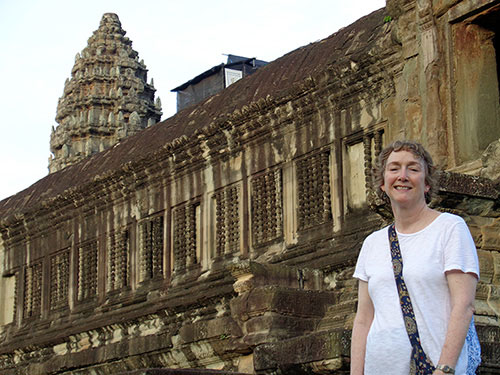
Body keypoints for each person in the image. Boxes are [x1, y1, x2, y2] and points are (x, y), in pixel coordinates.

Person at [350, 140, 480, 375]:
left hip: (434, 368)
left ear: (427, 183)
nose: (403, 175)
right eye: (394, 168)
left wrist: (445, 368)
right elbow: (363, 319)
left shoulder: (450, 228)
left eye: (413, 168)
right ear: (382, 183)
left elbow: (464, 305)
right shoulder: (372, 243)